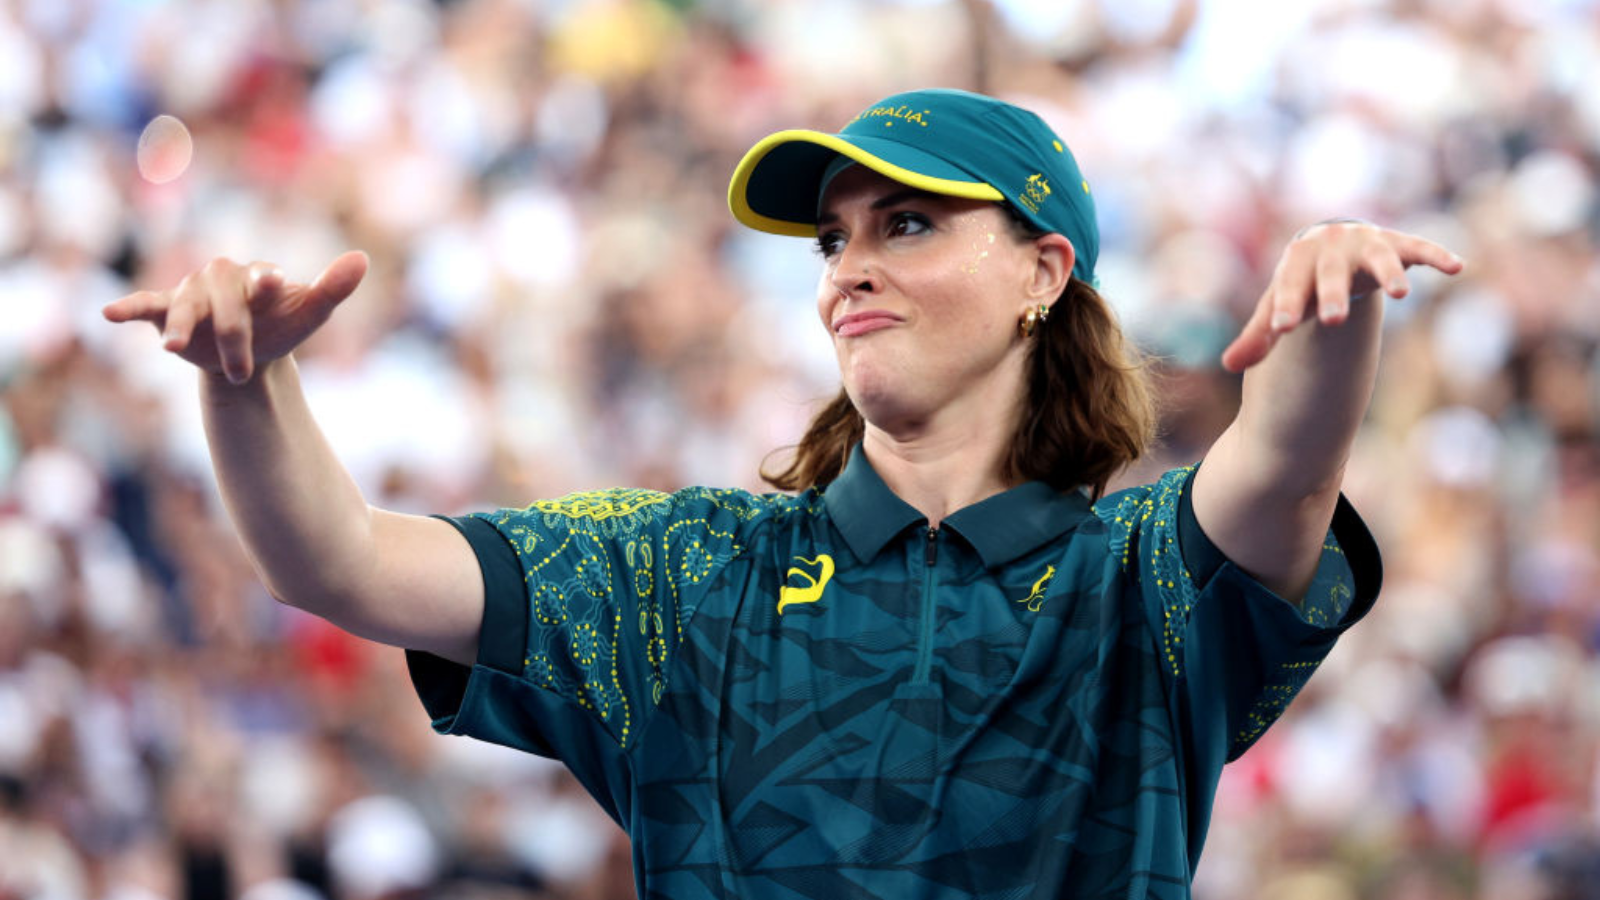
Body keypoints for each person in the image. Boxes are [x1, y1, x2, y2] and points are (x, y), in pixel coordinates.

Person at [104, 87, 1464, 898]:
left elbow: (1282, 475)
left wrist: (1336, 305)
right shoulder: (685, 572)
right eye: (833, 239)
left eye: (909, 224)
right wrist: (245, 383)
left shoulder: (1139, 577)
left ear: (1046, 273)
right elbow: (340, 562)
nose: (846, 270)